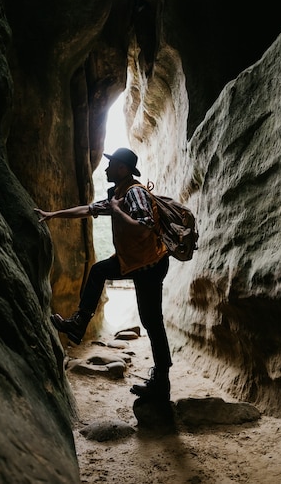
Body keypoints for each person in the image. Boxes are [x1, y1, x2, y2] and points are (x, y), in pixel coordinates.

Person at [34, 147, 172, 401]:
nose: (107, 168)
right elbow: (87, 210)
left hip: (150, 264)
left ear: (123, 169)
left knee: (151, 321)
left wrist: (117, 210)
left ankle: (161, 383)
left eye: (111, 165)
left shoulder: (135, 193)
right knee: (150, 320)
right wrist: (53, 214)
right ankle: (160, 382)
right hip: (138, 262)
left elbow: (143, 229)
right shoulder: (119, 194)